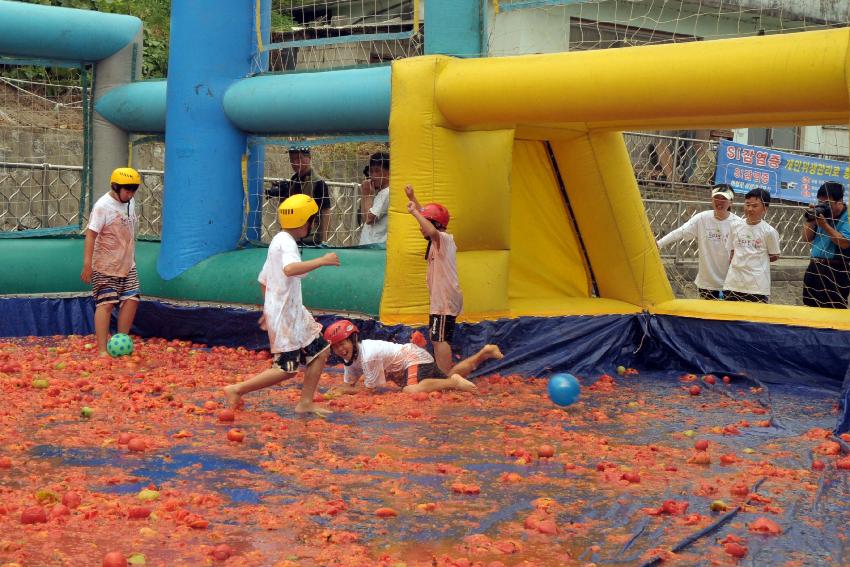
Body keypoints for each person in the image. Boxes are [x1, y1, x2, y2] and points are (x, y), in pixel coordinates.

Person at [224, 194, 339, 415]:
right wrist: (322, 261)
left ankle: (305, 402)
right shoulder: (286, 243)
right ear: (305, 221)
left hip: (291, 311)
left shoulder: (279, 240)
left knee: (320, 350)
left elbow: (263, 279)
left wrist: (268, 309)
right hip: (286, 315)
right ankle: (236, 389)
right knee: (287, 369)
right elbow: (290, 269)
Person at [322, 319, 504, 395]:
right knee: (444, 377)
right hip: (410, 359)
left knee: (410, 391)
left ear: (353, 340)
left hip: (413, 357)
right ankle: (484, 353)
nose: (340, 349)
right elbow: (348, 385)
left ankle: (454, 383)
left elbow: (370, 391)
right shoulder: (350, 359)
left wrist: (344, 391)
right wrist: (335, 392)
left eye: (343, 343)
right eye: (336, 346)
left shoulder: (368, 355)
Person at [80, 167, 142, 356]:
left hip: (126, 264)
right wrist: (87, 264)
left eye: (134, 189)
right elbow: (90, 235)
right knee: (106, 304)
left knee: (132, 299)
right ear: (115, 187)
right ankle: (101, 350)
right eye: (127, 189)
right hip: (105, 265)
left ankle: (120, 342)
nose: (130, 193)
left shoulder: (130, 202)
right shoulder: (103, 206)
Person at [404, 184, 462, 375]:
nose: (422, 228)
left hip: (445, 298)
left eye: (426, 224)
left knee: (439, 338)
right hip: (441, 298)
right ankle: (441, 372)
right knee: (436, 335)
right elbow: (428, 219)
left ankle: (445, 376)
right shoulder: (436, 239)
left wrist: (414, 213)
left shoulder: (443, 238)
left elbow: (431, 229)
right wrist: (413, 197)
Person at [657, 184, 742, 299]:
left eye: (724, 199)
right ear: (711, 200)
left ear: (731, 202)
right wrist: (658, 244)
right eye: (717, 198)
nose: (720, 202)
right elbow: (680, 232)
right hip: (707, 283)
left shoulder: (739, 224)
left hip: (731, 283)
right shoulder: (702, 218)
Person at [722, 188, 781, 303]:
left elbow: (775, 255)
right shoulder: (735, 226)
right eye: (747, 204)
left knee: (754, 320)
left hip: (757, 287)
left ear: (765, 208)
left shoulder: (769, 231)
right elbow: (732, 251)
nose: (749, 209)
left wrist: (756, 258)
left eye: (755, 206)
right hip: (733, 283)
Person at [266, 146, 331, 245]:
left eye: (299, 159)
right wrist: (282, 195)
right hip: (292, 236)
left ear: (309, 158)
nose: (295, 163)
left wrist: (325, 240)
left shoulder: (318, 182)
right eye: (292, 159)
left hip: (311, 239)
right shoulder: (294, 180)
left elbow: (326, 211)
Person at [801, 181, 850, 308]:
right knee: (809, 306)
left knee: (834, 308)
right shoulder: (821, 214)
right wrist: (811, 218)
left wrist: (824, 225)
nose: (823, 206)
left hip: (836, 270)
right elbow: (806, 238)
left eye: (827, 203)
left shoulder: (847, 216)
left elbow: (844, 242)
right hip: (815, 267)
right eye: (820, 202)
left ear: (839, 201)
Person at [358, 152, 390, 246]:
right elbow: (365, 220)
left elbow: (369, 219)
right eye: (371, 172)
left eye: (377, 171)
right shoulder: (380, 192)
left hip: (375, 247)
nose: (373, 176)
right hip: (368, 245)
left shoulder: (387, 192)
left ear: (389, 173)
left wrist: (367, 196)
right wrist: (365, 194)